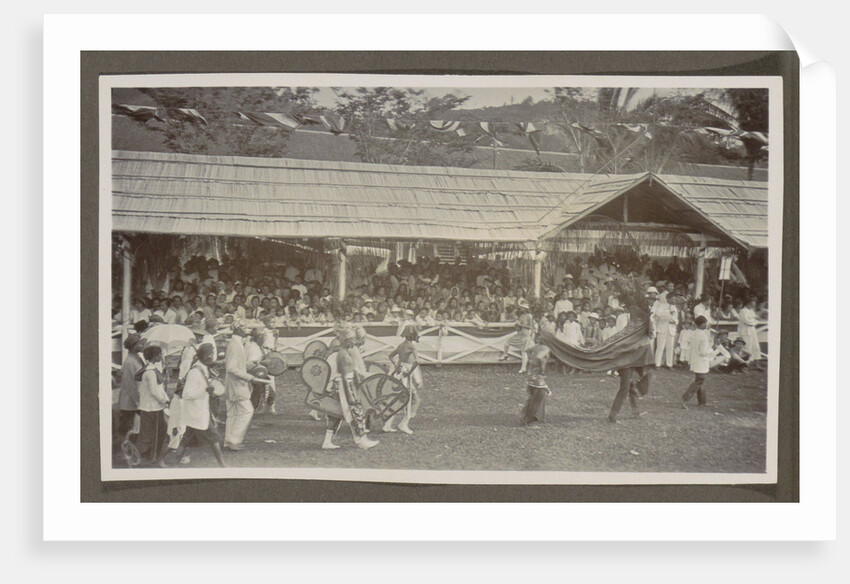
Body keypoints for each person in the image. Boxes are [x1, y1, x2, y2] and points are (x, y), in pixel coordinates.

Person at [169, 344, 227, 467]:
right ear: (205, 357)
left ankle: (173, 462)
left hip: (197, 412)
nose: (213, 357)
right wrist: (205, 390)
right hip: (197, 412)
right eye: (211, 355)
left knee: (185, 440)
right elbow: (187, 394)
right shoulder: (195, 372)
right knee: (214, 437)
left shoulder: (203, 367)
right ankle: (222, 464)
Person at [322, 331, 379, 450]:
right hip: (344, 386)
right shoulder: (343, 354)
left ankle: (327, 441)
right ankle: (360, 441)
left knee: (336, 414)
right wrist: (350, 393)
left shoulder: (345, 353)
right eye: (353, 339)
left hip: (342, 385)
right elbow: (345, 375)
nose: (355, 341)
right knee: (353, 412)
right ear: (347, 341)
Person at [223, 324, 271, 451]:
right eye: (244, 328)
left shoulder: (236, 343)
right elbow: (232, 368)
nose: (247, 331)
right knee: (247, 411)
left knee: (233, 413)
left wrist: (254, 363)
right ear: (238, 330)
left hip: (234, 384)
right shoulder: (235, 345)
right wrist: (250, 378)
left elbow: (238, 365)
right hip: (237, 384)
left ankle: (228, 441)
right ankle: (234, 440)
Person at [384, 326, 423, 434]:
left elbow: (390, 356)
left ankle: (388, 424)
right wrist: (410, 373)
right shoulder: (411, 347)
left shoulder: (401, 346)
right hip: (405, 375)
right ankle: (404, 423)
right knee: (410, 399)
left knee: (397, 399)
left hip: (398, 373)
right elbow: (417, 361)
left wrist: (397, 365)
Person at [135, 344, 169, 466]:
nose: (161, 356)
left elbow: (159, 388)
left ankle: (149, 456)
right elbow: (154, 391)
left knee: (153, 433)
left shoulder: (152, 369)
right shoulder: (150, 372)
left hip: (152, 407)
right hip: (151, 407)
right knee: (151, 434)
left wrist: (165, 399)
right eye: (159, 354)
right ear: (154, 356)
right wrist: (164, 401)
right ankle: (144, 457)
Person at [115, 334, 146, 450]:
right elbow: (130, 384)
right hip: (130, 401)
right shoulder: (129, 362)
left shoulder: (136, 358)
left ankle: (128, 447)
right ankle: (122, 448)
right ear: (134, 346)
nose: (141, 345)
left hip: (135, 399)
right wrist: (137, 401)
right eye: (139, 343)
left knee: (134, 426)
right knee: (127, 426)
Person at [681, 315, 716, 408]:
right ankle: (685, 398)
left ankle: (702, 401)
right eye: (705, 323)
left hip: (695, 360)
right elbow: (703, 352)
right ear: (701, 324)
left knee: (699, 380)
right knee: (700, 380)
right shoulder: (703, 336)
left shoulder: (694, 333)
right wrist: (712, 349)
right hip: (701, 361)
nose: (706, 324)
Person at [498, 300, 534, 373]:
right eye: (521, 307)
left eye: (522, 307)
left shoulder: (529, 316)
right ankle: (505, 355)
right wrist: (517, 325)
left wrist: (521, 325)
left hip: (526, 334)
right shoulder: (521, 316)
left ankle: (523, 368)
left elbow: (530, 327)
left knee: (523, 351)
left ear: (526, 308)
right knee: (507, 343)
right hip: (520, 333)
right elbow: (518, 326)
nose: (521, 309)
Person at [520, 344, 551, 425]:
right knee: (538, 399)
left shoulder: (536, 347)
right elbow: (539, 357)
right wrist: (542, 368)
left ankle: (527, 418)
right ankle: (531, 420)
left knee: (532, 398)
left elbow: (527, 350)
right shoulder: (546, 348)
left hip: (531, 376)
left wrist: (531, 360)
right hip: (538, 378)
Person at [652, 293, 678, 368]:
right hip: (662, 328)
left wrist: (675, 322)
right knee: (660, 347)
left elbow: (676, 319)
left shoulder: (675, 308)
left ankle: (669, 364)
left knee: (670, 347)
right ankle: (657, 364)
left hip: (671, 329)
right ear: (668, 298)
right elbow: (659, 315)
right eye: (672, 298)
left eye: (674, 299)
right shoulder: (661, 305)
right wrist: (669, 313)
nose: (674, 300)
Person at [737, 298, 761, 362]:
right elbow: (747, 321)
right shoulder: (743, 311)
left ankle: (756, 364)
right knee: (747, 348)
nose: (754, 304)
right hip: (745, 332)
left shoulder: (751, 311)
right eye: (753, 303)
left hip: (752, 331)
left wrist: (755, 320)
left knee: (755, 347)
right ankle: (744, 364)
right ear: (749, 303)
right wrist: (755, 321)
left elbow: (757, 318)